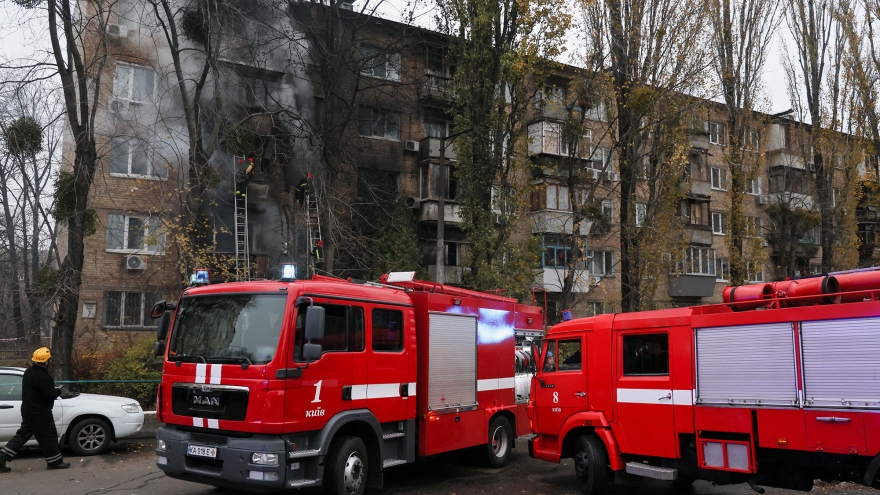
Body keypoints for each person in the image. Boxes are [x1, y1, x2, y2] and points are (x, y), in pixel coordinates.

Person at [0, 347, 71, 472]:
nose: (51, 361)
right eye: (50, 359)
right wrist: (58, 390)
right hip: (40, 412)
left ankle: (2, 457)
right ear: (46, 361)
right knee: (48, 436)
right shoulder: (42, 375)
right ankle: (54, 462)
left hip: (29, 410)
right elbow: (50, 394)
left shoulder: (29, 371)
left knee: (22, 435)